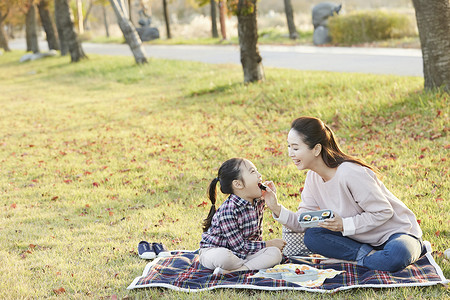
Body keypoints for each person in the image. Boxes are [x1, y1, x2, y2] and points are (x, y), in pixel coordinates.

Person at [263, 116, 425, 272]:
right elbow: (303, 223)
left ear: (317, 149)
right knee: (312, 236)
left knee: (396, 255)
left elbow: (383, 212)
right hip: (359, 240)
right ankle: (369, 257)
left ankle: (361, 258)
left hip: (395, 234)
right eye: (289, 146)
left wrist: (344, 225)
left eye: (296, 148)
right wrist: (276, 207)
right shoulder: (313, 178)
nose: (290, 153)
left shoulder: (350, 173)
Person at [199, 158, 286, 275]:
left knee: (275, 253)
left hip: (243, 254)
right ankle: (243, 267)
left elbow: (256, 237)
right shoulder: (228, 210)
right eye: (253, 172)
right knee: (224, 258)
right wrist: (268, 244)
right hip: (216, 251)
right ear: (238, 184)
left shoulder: (258, 202)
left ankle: (237, 271)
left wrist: (271, 198)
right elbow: (239, 247)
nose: (259, 175)